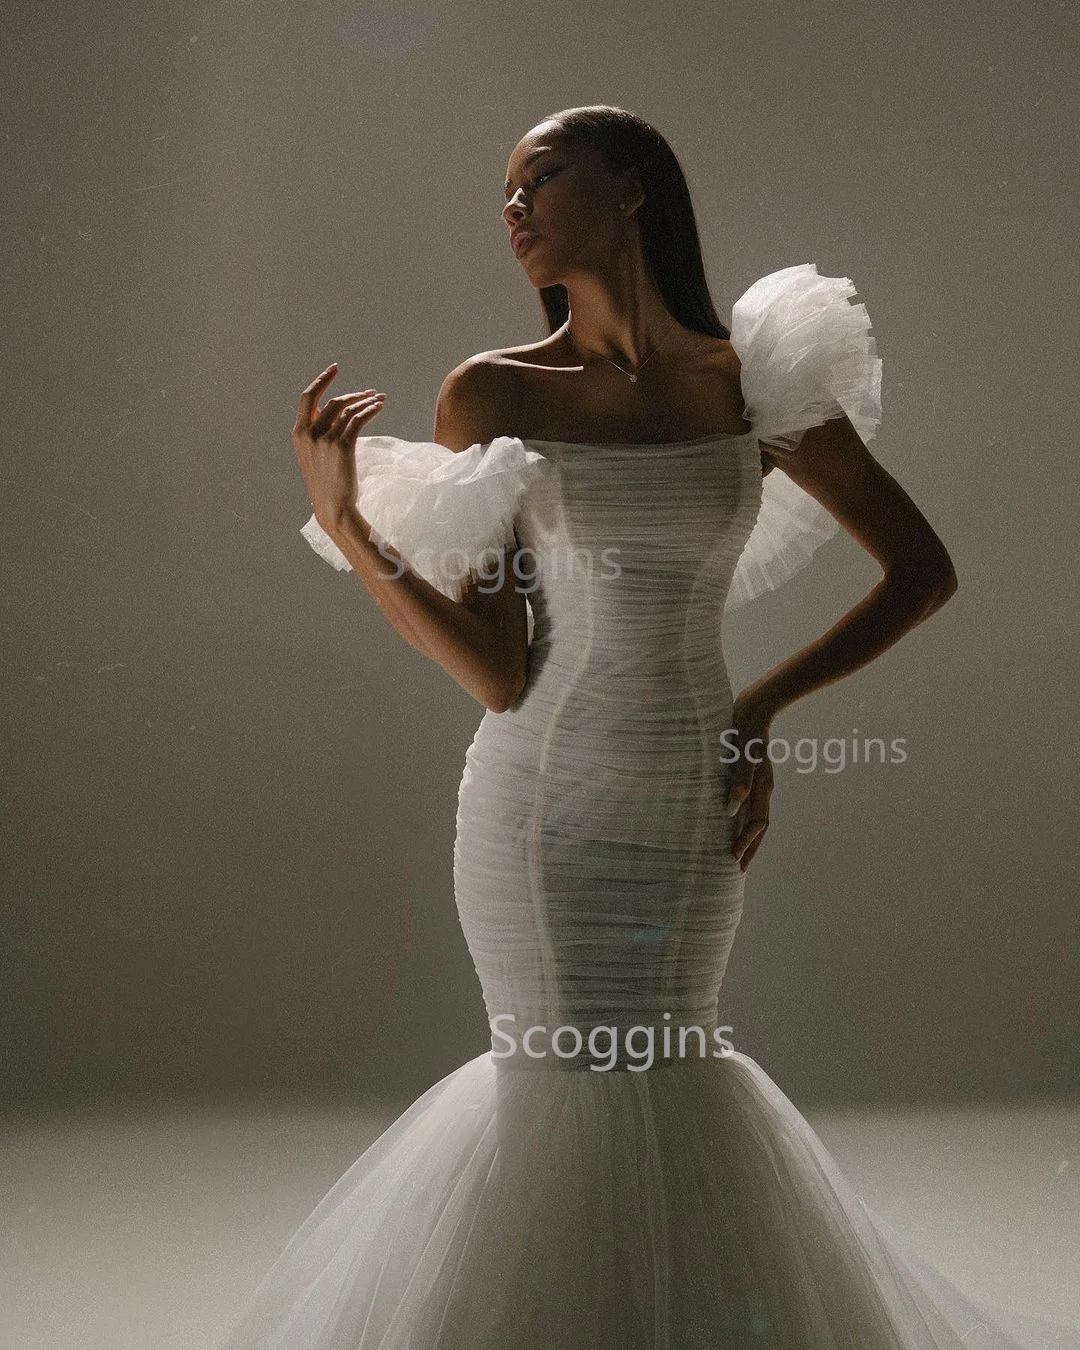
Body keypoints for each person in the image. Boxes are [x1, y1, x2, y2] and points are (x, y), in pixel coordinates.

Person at [217, 107, 1079, 1348]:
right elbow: (495, 669)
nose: (514, 206)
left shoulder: (750, 384)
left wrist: (763, 707)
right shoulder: (494, 391)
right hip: (541, 808)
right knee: (560, 1073)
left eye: (542, 176)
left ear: (631, 190)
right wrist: (351, 526)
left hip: (686, 800)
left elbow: (921, 571)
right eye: (505, 192)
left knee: (673, 1060)